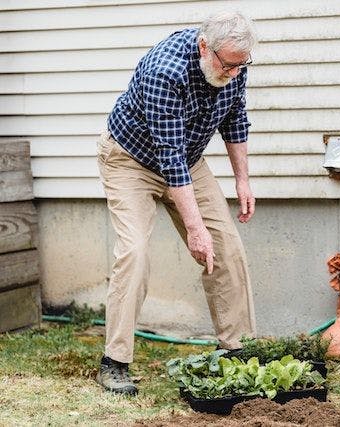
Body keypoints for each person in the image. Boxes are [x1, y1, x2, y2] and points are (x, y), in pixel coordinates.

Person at [95, 11, 258, 395]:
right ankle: (114, 362)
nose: (235, 73)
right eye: (229, 65)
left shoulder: (234, 61)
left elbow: (235, 118)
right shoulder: (164, 71)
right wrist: (195, 230)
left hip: (187, 159)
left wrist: (242, 180)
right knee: (134, 252)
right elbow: (170, 159)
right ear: (205, 47)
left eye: (241, 65)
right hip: (130, 158)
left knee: (227, 248)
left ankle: (237, 351)